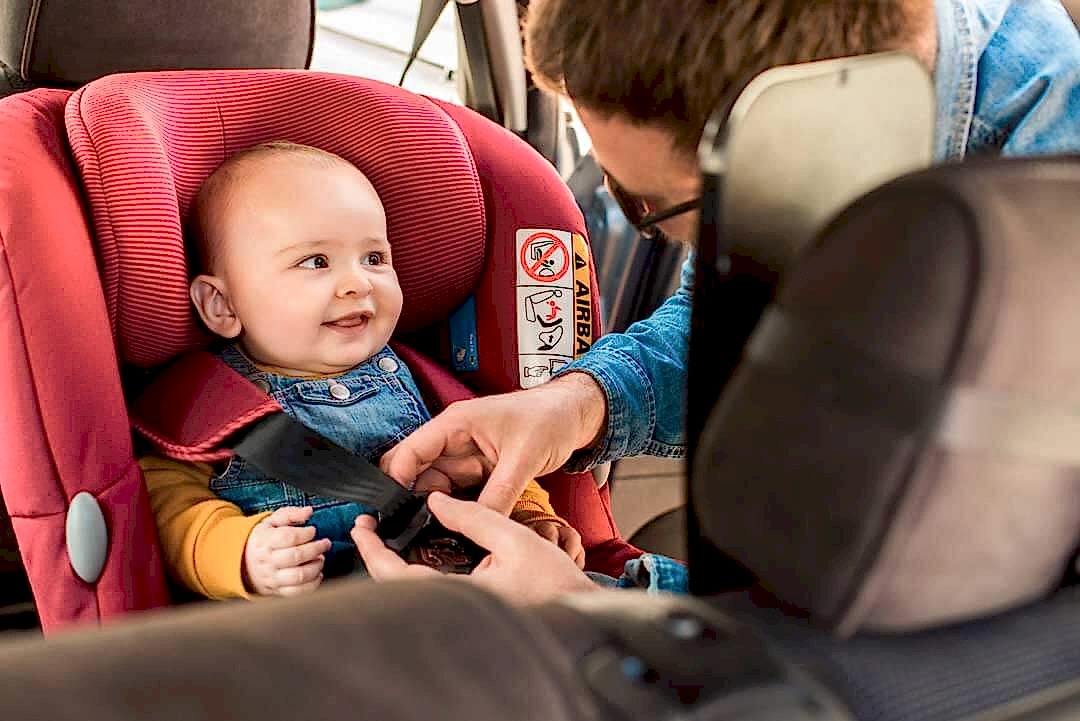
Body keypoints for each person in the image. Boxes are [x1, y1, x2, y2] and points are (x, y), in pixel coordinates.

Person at [354, 0, 1080, 602]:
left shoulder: (1052, 219)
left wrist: (589, 611)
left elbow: (962, 635)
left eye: (648, 203)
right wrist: (580, 403)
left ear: (801, 144)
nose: (615, 206)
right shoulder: (808, 92)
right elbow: (734, 309)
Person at [139, 141, 584, 600]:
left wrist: (530, 516)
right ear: (222, 304)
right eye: (315, 262)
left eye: (374, 259)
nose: (358, 283)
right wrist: (244, 554)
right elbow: (170, 508)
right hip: (326, 626)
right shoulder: (207, 407)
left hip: (462, 597)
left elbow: (492, 458)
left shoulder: (422, 379)